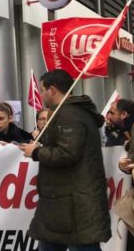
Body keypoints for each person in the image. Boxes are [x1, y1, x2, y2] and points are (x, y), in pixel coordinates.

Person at [19, 69, 110, 250]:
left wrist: (37, 152)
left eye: (43, 90)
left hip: (72, 205)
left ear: (52, 90)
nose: (42, 94)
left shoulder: (68, 115)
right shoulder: (72, 113)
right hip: (65, 203)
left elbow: (67, 152)